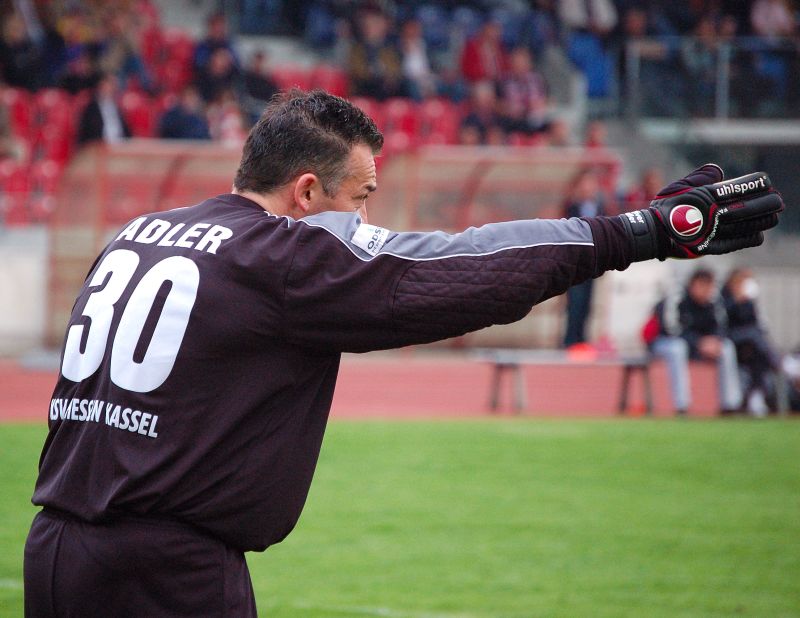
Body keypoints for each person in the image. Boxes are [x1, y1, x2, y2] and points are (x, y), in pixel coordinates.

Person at [24, 90, 783, 615]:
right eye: (361, 198)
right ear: (307, 192)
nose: (366, 221)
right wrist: (637, 233)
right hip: (162, 574)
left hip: (54, 547)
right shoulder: (282, 256)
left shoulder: (138, 233)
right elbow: (462, 269)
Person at [647, 269, 743, 415]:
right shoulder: (677, 297)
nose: (706, 291)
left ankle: (730, 404)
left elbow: (722, 325)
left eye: (709, 286)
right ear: (694, 284)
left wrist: (715, 340)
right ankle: (682, 405)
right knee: (677, 348)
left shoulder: (714, 300)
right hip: (665, 342)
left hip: (698, 345)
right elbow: (670, 328)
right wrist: (698, 342)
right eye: (703, 286)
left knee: (726, 347)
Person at [722, 268, 781, 416]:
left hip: (749, 345)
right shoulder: (724, 298)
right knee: (754, 336)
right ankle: (777, 360)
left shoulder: (749, 302)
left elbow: (756, 323)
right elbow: (724, 323)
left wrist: (745, 303)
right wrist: (737, 302)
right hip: (731, 338)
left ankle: (756, 395)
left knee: (757, 356)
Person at [562, 168, 606, 347]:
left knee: (588, 303)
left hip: (593, 264)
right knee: (575, 303)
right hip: (575, 263)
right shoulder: (572, 206)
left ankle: (582, 339)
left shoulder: (600, 207)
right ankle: (570, 340)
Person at [76, 73, 131, 146]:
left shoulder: (118, 108)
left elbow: (126, 132)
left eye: (113, 85)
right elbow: (86, 135)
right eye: (109, 85)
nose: (112, 88)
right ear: (100, 86)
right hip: (99, 147)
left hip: (120, 146)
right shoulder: (91, 109)